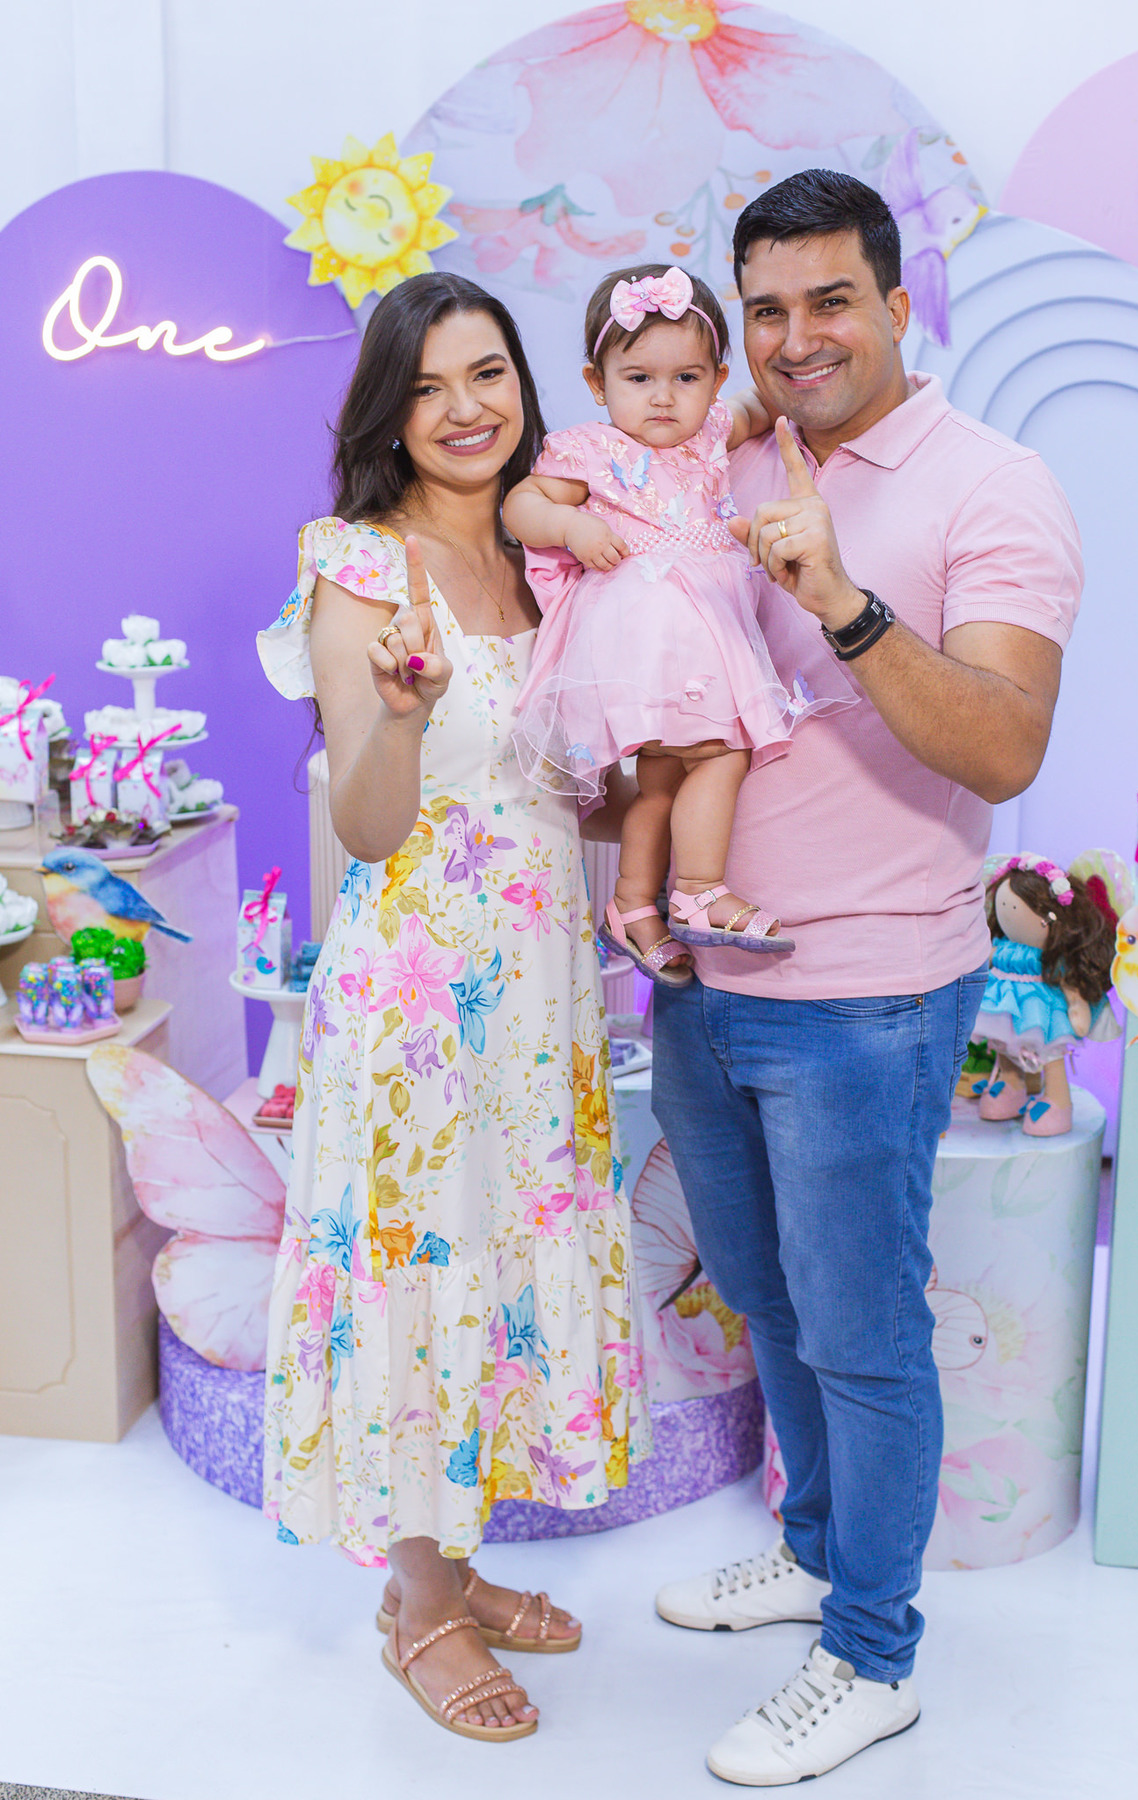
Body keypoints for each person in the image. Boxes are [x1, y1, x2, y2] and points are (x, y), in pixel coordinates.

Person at [649, 170, 1082, 1785]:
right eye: (765, 309)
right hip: (704, 978)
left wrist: (840, 600)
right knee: (763, 1294)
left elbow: (1006, 741)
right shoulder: (726, 456)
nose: (795, 338)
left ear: (898, 305)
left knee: (862, 1332)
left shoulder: (996, 486)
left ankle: (874, 1654)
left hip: (868, 996)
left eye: (831, 301)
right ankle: (818, 1547)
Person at [256, 272, 648, 1744]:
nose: (464, 408)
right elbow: (367, 825)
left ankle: (458, 1559)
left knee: (501, 1244)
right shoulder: (362, 566)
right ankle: (418, 1601)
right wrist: (406, 720)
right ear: (388, 412)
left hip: (541, 992)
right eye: (426, 386)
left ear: (522, 387)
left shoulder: (548, 558)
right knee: (424, 1257)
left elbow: (562, 792)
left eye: (486, 374)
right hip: (419, 1001)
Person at [503, 263, 851, 986]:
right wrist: (569, 526)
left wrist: (826, 390)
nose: (663, 397)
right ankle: (697, 887)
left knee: (660, 779)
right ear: (597, 383)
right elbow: (521, 506)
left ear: (715, 380)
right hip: (640, 634)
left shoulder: (711, 432)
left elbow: (765, 402)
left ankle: (632, 904)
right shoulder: (591, 450)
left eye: (686, 378)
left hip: (702, 628)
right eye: (638, 379)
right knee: (720, 754)